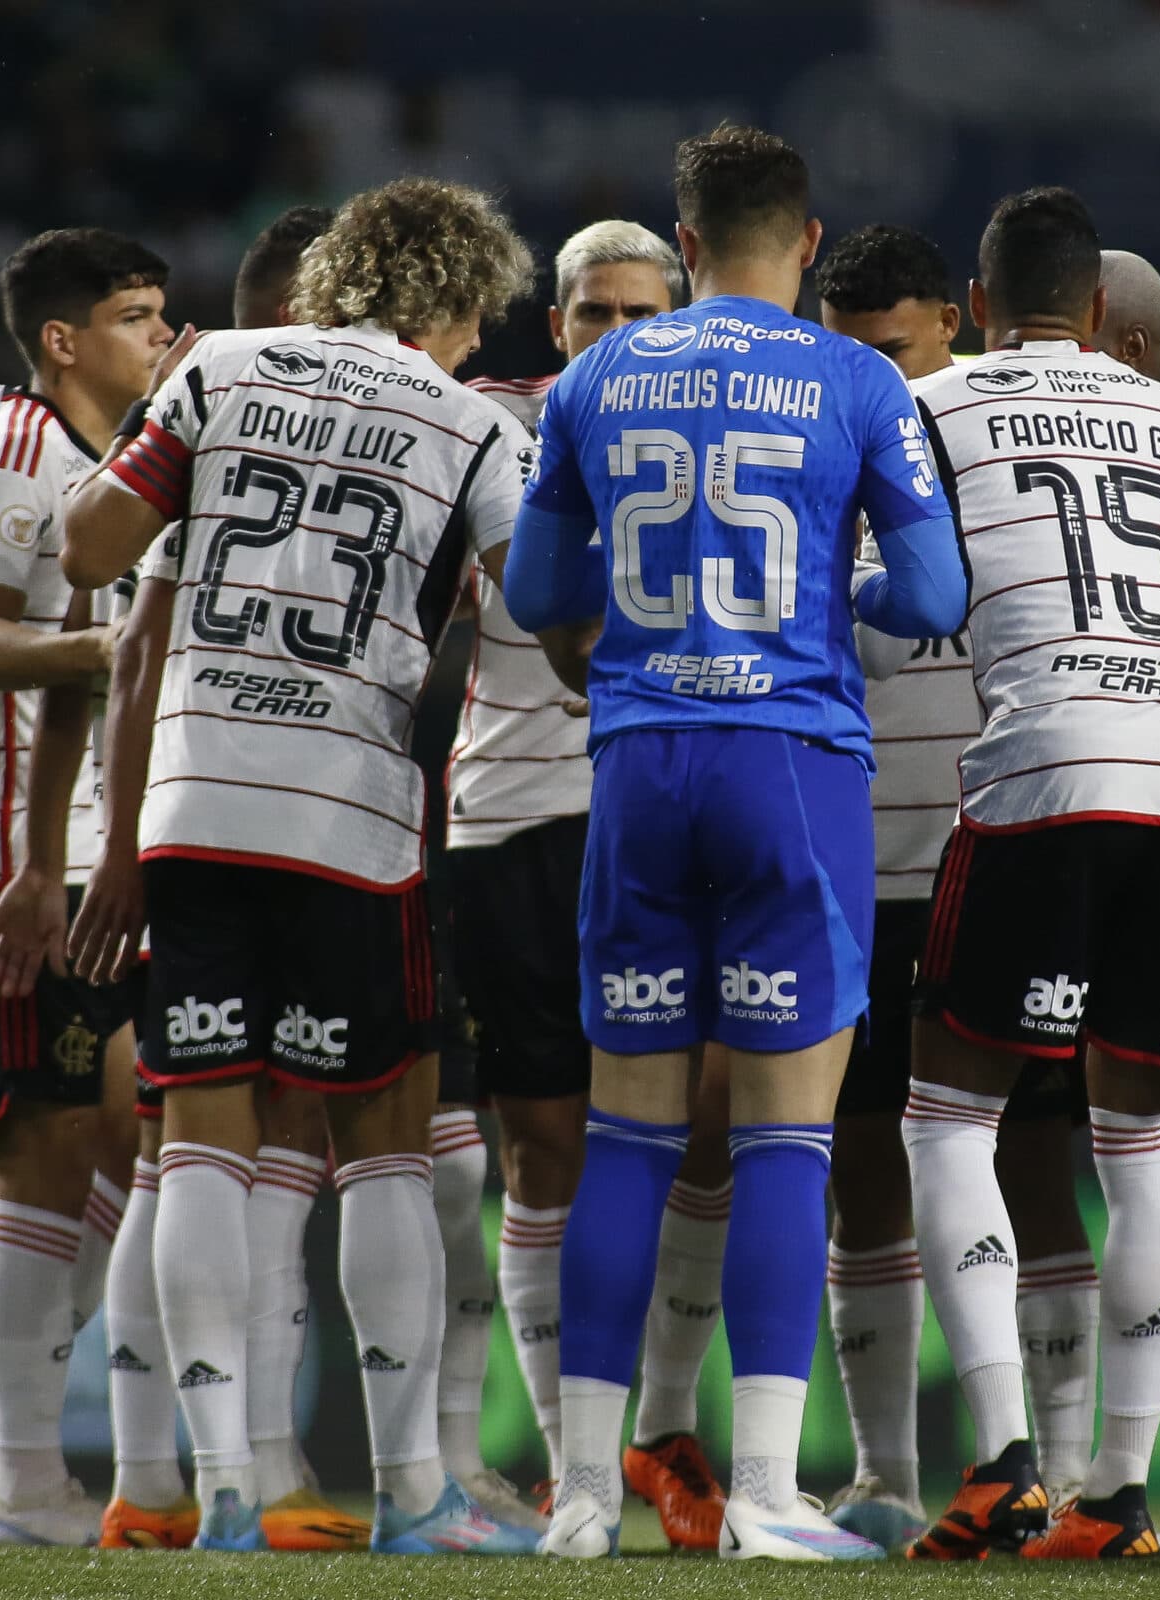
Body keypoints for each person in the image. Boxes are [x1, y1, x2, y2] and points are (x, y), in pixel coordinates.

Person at [60, 178, 545, 1557]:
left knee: (199, 1131)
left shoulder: (216, 365)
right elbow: (539, 615)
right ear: (457, 301)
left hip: (198, 800)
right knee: (386, 1138)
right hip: (350, 812)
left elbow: (91, 545)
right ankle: (418, 1495)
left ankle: (219, 1494)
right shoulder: (466, 420)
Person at [504, 122, 964, 1561]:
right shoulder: (858, 378)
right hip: (793, 761)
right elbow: (935, 590)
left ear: (683, 242)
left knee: (630, 1137)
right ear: (809, 245)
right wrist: (829, 582)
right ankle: (765, 1492)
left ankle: (582, 1492)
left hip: (640, 762)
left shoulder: (591, 375)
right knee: (782, 1138)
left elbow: (532, 588)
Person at [0, 205, 374, 1554]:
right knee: (208, 1140)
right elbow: (127, 644)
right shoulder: (231, 410)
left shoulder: (196, 413)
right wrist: (89, 853)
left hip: (183, 822)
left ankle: (173, 1481)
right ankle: (209, 1476)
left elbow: (110, 640)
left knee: (187, 1146)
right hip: (240, 823)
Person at [898, 191, 1160, 1563]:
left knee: (944, 1117)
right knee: (1141, 1149)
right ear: (1104, 312)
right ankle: (1120, 1494)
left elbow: (909, 595)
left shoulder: (940, 404)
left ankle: (1001, 1468)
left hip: (1044, 771)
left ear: (976, 305)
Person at [811, 222, 1097, 1545]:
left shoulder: (996, 441)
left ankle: (1076, 1477)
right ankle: (884, 1474)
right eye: (853, 348)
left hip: (1001, 847)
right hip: (861, 865)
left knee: (1039, 1169)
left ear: (958, 325)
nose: (878, 372)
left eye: (897, 346)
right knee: (866, 1170)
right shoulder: (823, 443)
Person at [457, 219, 737, 1547]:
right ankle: (579, 1469)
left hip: (671, 815)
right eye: (591, 315)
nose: (616, 338)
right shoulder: (477, 431)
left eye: (641, 315)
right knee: (547, 1151)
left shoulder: (725, 435)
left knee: (707, 1132)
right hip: (514, 821)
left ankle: (657, 1434)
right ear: (552, 322)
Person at [0, 228, 172, 1548]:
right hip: (15, 870)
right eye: (134, 316)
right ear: (63, 341)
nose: (160, 338)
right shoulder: (19, 455)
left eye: (165, 313)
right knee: (53, 1159)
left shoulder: (99, 464)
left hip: (78, 859)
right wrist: (121, 643)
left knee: (149, 1141)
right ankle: (21, 1481)